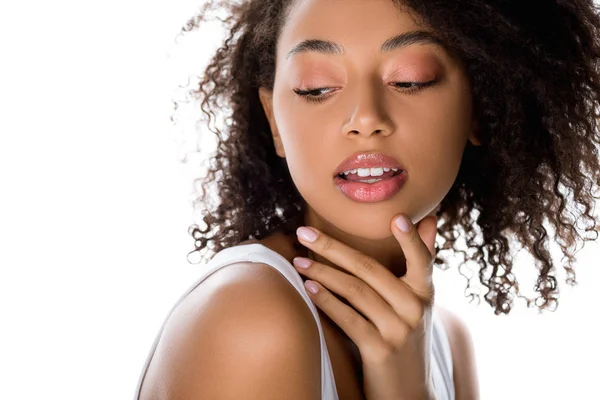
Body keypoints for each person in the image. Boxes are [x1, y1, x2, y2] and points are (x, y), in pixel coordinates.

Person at [134, 0, 600, 399]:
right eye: (317, 88)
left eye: (410, 80)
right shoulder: (250, 320)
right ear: (275, 121)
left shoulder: (443, 342)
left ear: (480, 106)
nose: (366, 119)